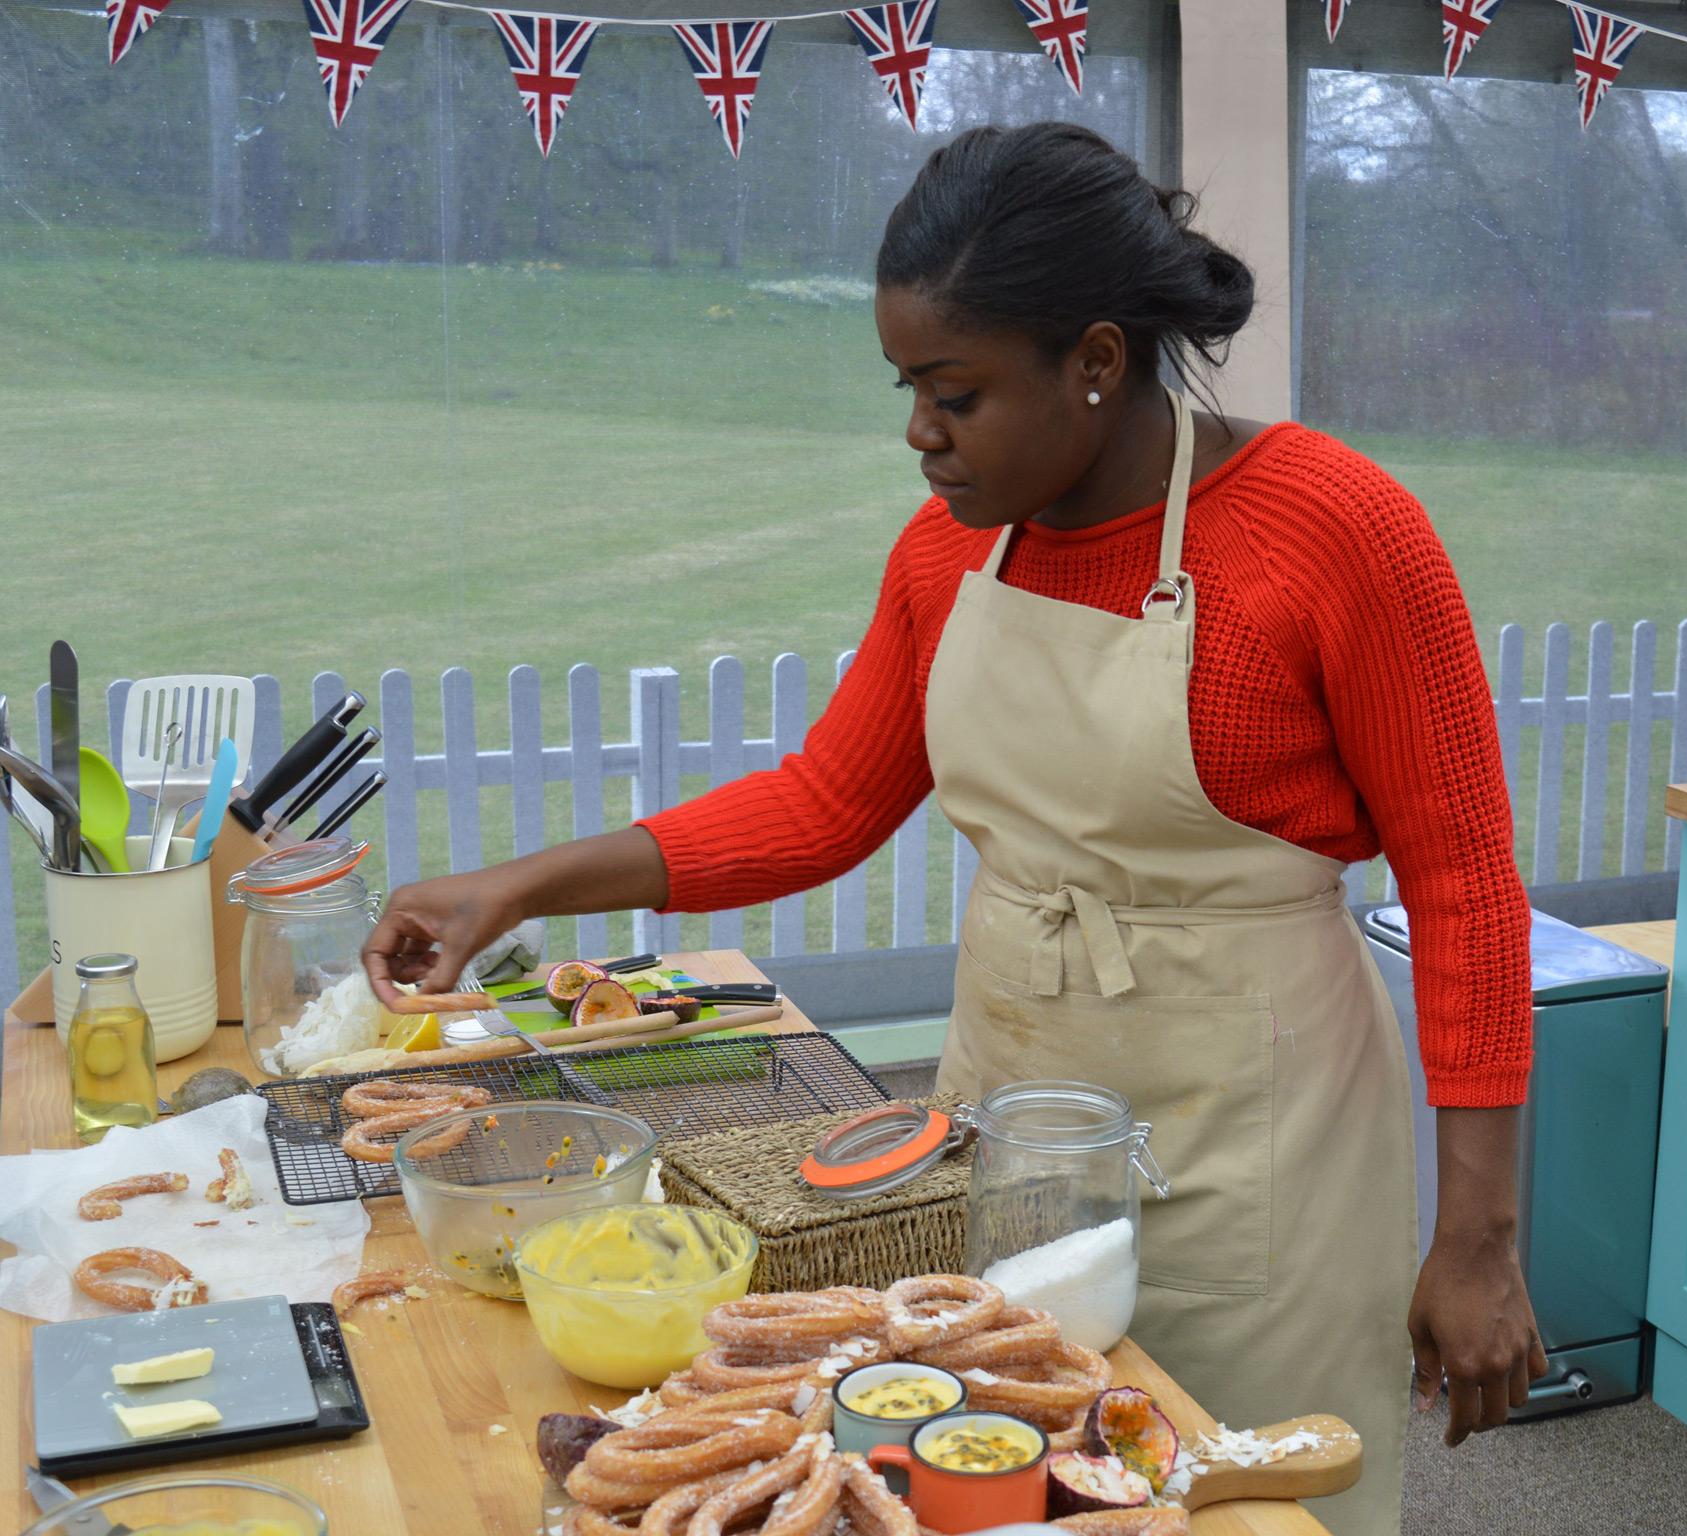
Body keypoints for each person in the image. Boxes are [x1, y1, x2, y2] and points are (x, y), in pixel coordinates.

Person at [363, 120, 1541, 1531]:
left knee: (1233, 1490)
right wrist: (521, 887)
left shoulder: (1335, 530)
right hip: (1009, 1114)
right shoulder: (949, 551)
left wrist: (1478, 1238)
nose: (919, 432)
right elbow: (825, 803)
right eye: (908, 386)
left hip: (1259, 1142)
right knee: (996, 1465)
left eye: (957, 391)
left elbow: (1467, 884)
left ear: (1095, 362)